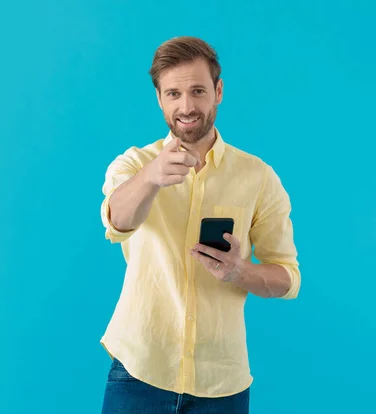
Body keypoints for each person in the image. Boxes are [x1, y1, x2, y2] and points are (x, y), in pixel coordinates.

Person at [99, 36, 301, 414]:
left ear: (218, 91)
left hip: (221, 383)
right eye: (173, 93)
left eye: (197, 91)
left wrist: (241, 272)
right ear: (159, 98)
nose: (187, 106)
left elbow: (288, 277)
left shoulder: (258, 177)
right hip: (139, 371)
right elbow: (118, 222)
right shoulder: (132, 165)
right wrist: (152, 177)